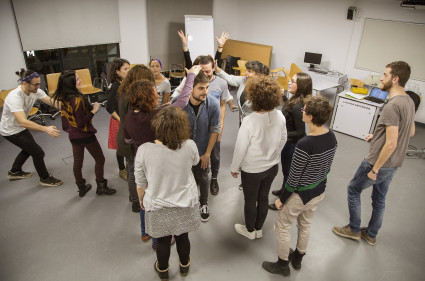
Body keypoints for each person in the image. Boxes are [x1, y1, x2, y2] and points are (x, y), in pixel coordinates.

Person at [333, 61, 415, 246]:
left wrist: (375, 168)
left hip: (378, 163)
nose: (381, 78)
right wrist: (377, 136)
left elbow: (392, 142)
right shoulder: (408, 101)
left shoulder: (392, 106)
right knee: (380, 199)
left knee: (353, 190)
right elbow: (409, 132)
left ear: (395, 79)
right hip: (394, 164)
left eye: (385, 75)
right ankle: (370, 234)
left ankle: (353, 229)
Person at [123, 65, 201, 249]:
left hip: (141, 162)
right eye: (154, 93)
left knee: (146, 201)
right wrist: (191, 76)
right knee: (160, 200)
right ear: (147, 96)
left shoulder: (128, 117)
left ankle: (146, 232)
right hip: (157, 163)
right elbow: (182, 102)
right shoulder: (157, 115)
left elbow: (127, 139)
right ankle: (160, 240)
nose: (157, 95)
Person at [262, 95, 337, 277]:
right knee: (305, 224)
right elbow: (326, 166)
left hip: (300, 195)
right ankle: (298, 257)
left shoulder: (304, 144)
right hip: (318, 191)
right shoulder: (332, 136)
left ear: (310, 117)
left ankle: (282, 264)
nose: (302, 112)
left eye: (304, 110)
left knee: (282, 226)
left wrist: (282, 199)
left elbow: (293, 178)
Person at [135, 106, 201, 280]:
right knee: (183, 238)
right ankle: (184, 267)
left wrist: (141, 199)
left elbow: (140, 181)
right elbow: (195, 162)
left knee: (163, 241)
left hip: (158, 205)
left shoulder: (144, 150)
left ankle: (163, 271)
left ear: (157, 126)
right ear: (182, 127)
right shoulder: (189, 146)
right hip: (185, 202)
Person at [230, 75, 287, 240]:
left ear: (253, 96)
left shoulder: (249, 121)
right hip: (272, 167)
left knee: (250, 199)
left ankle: (249, 231)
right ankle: (258, 229)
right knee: (263, 197)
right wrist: (274, 154)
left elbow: (240, 148)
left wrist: (235, 168)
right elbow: (283, 139)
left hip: (252, 170)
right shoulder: (280, 116)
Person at [52, 70, 116, 197]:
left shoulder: (64, 98)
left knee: (78, 162)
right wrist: (94, 110)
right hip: (86, 136)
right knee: (100, 159)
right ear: (71, 84)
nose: (80, 81)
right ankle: (101, 186)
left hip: (73, 136)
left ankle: (81, 187)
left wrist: (87, 108)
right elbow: (81, 122)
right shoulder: (78, 100)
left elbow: (71, 119)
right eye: (77, 79)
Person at [1, 69, 62, 187]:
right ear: (24, 83)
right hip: (10, 130)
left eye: (39, 83)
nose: (38, 87)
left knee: (29, 149)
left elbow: (51, 102)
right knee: (38, 152)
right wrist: (46, 129)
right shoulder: (14, 97)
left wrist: (70, 106)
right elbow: (23, 121)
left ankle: (14, 171)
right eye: (35, 84)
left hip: (19, 127)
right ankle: (45, 178)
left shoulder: (35, 91)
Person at [269, 73, 312, 210]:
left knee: (289, 173)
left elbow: (300, 132)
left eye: (292, 81)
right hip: (289, 143)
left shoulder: (298, 107)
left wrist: (280, 134)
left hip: (292, 144)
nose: (289, 82)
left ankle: (283, 200)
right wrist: (283, 97)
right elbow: (290, 108)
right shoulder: (295, 100)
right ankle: (283, 190)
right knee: (286, 171)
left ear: (300, 86)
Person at [182, 71, 221, 222]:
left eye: (206, 87)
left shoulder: (213, 104)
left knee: (204, 177)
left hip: (203, 150)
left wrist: (207, 154)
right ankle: (188, 203)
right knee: (186, 179)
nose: (205, 91)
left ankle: (203, 203)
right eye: (201, 88)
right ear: (190, 88)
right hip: (184, 153)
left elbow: (214, 130)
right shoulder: (181, 103)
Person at [116, 65, 155, 213]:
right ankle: (137, 200)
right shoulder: (133, 98)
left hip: (126, 137)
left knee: (132, 169)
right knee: (135, 171)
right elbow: (141, 119)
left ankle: (134, 200)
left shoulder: (124, 92)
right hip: (133, 140)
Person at [175, 30, 238, 111]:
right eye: (201, 71)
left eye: (208, 71)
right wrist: (185, 46)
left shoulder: (219, 80)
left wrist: (220, 47)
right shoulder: (193, 79)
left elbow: (216, 62)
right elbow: (188, 63)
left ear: (213, 69)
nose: (204, 74)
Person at [106, 58, 130, 180]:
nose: (128, 71)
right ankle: (122, 170)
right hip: (118, 121)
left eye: (128, 68)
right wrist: (121, 120)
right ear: (117, 72)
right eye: (125, 69)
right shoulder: (115, 86)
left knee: (128, 145)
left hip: (127, 119)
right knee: (121, 148)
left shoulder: (126, 83)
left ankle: (129, 167)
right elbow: (109, 107)